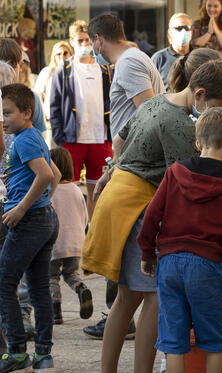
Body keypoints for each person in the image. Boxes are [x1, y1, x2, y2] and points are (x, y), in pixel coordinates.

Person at [83, 61, 222, 373]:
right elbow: (188, 182)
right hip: (139, 208)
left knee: (125, 299)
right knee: (154, 296)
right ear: (199, 95)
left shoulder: (154, 102)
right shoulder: (182, 126)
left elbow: (119, 142)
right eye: (217, 107)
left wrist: (120, 172)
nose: (217, 116)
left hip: (117, 202)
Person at [137, 107, 222, 373]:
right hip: (206, 265)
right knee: (214, 341)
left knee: (173, 342)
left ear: (198, 142)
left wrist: (148, 252)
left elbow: (152, 216)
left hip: (169, 264)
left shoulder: (175, 173)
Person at [0, 84, 60, 373]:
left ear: (27, 113)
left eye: (9, 113)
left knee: (4, 282)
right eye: (2, 113)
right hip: (45, 218)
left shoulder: (23, 140)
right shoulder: (35, 136)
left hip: (29, 222)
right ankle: (43, 357)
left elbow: (47, 175)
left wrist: (23, 207)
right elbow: (56, 174)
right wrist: (43, 202)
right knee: (39, 288)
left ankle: (17, 352)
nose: (4, 119)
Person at [51, 19, 114, 220]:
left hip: (101, 138)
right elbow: (54, 106)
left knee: (98, 190)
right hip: (73, 138)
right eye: (79, 40)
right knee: (70, 189)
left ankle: (92, 231)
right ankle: (74, 228)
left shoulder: (104, 69)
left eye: (88, 40)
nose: (85, 45)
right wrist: (60, 138)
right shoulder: (63, 70)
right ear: (71, 41)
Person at [89, 14, 165, 139]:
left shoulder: (128, 62)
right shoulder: (132, 58)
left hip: (138, 154)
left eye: (92, 42)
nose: (92, 51)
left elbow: (150, 113)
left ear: (98, 39)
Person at [48, 147, 91, 324]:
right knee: (71, 273)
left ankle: (55, 311)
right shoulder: (76, 190)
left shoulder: (50, 191)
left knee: (51, 277)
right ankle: (81, 288)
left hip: (54, 244)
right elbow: (85, 217)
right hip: (75, 243)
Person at [0, 39, 47, 134]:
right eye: (1, 67)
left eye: (11, 67)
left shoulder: (31, 98)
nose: (6, 72)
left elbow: (39, 135)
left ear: (21, 66)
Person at [151, 13, 193, 91]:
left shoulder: (198, 56)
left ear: (191, 32)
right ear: (170, 32)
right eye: (179, 28)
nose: (183, 31)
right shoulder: (159, 58)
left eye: (186, 28)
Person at [33, 42, 72, 122]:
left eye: (65, 53)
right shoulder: (47, 72)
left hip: (71, 119)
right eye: (58, 54)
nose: (62, 57)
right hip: (51, 118)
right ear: (54, 56)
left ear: (71, 55)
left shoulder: (75, 71)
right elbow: (37, 95)